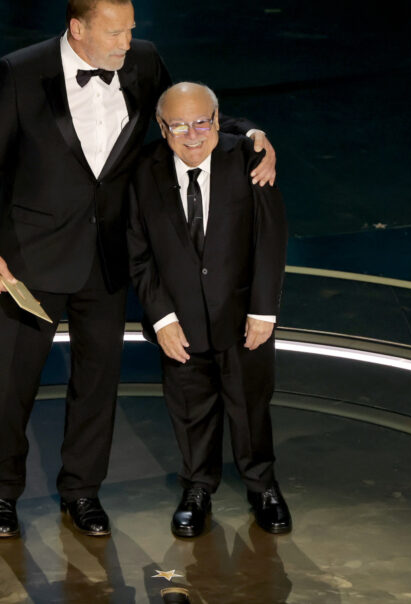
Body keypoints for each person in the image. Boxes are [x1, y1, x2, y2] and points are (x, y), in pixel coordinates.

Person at [0, 0, 277, 539]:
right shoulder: (19, 73)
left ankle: (82, 491)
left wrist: (250, 131)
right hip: (30, 259)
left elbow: (184, 119)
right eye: (114, 34)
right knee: (10, 383)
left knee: (97, 381)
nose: (125, 44)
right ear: (77, 29)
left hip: (109, 256)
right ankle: (1, 495)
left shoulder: (143, 62)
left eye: (131, 30)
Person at [127, 82, 290, 538]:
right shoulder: (143, 171)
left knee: (250, 406)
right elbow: (136, 251)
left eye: (203, 122)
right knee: (189, 408)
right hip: (179, 322)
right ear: (162, 128)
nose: (192, 134)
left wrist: (263, 311)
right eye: (178, 125)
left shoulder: (249, 159)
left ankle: (263, 486)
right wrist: (161, 317)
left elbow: (270, 239)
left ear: (218, 121)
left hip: (244, 319)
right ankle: (198, 487)